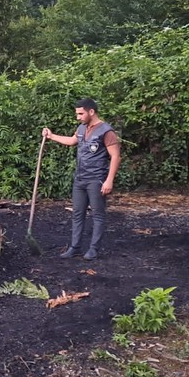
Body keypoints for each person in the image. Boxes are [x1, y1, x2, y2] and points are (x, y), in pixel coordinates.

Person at [42, 98, 120, 260]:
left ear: (91, 112)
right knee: (78, 213)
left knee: (97, 215)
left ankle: (93, 249)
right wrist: (51, 136)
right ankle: (75, 247)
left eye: (80, 113)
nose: (78, 117)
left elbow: (115, 157)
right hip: (80, 178)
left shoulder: (106, 131)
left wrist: (109, 180)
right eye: (77, 114)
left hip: (96, 179)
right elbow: (72, 141)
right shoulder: (82, 128)